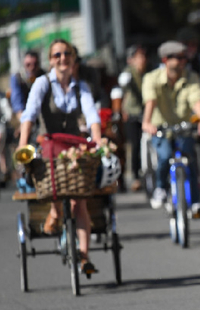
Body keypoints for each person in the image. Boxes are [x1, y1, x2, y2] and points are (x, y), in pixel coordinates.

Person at [17, 39, 103, 275]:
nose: (62, 58)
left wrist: (97, 141)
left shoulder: (80, 86)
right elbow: (30, 114)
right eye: (57, 55)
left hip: (73, 143)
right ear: (51, 60)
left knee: (79, 200)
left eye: (67, 54)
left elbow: (92, 116)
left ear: (74, 59)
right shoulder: (43, 84)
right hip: (48, 143)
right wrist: (23, 145)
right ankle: (55, 212)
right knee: (52, 178)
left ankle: (84, 257)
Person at [142, 41, 200, 217]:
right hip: (160, 127)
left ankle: (195, 202)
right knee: (164, 155)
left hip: (182, 127)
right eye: (179, 58)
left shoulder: (191, 77)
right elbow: (151, 101)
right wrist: (147, 122)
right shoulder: (152, 78)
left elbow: (196, 101)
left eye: (184, 57)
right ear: (165, 60)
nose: (183, 61)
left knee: (190, 158)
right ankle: (160, 188)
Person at [118, 44, 147, 191]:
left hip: (147, 112)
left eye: (143, 56)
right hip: (132, 113)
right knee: (135, 145)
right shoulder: (128, 73)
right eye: (139, 57)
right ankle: (136, 176)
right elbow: (122, 87)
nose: (142, 60)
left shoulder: (147, 73)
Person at [10, 51, 45, 129]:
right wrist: (25, 125)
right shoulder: (18, 78)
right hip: (24, 118)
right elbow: (17, 104)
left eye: (35, 64)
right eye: (28, 64)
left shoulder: (44, 77)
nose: (32, 68)